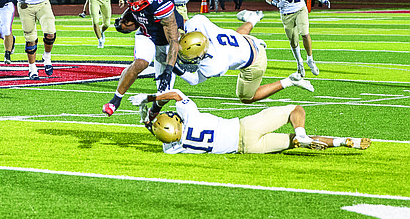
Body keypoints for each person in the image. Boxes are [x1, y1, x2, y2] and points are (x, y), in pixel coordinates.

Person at [144, 88, 371, 154]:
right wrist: (150, 100)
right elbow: (176, 95)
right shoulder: (189, 116)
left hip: (247, 149)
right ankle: (302, 132)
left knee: (292, 142)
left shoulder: (172, 148)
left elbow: (161, 132)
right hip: (246, 127)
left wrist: (150, 123)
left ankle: (343, 142)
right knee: (295, 109)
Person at [169, 12, 314, 108]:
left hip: (255, 62)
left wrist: (172, 66)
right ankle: (254, 17)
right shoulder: (198, 23)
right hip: (243, 41)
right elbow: (182, 22)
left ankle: (289, 81)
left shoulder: (216, 63)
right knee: (239, 34)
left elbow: (195, 80)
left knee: (246, 97)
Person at [103, 0, 182, 118]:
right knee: (140, 63)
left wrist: (168, 70)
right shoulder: (136, 3)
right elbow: (136, 20)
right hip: (147, 35)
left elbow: (173, 41)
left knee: (164, 94)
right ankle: (115, 100)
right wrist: (123, 26)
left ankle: (154, 110)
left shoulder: (162, 6)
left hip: (166, 43)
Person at [266, 0, 330, 77]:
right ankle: (299, 62)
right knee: (294, 41)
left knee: (305, 34)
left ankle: (310, 60)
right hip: (286, 13)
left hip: (301, 9)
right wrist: (276, 3)